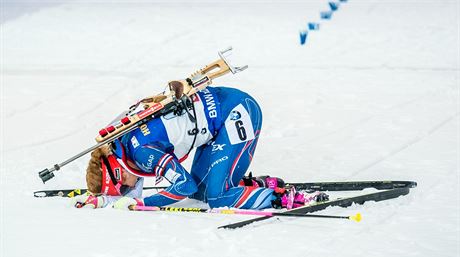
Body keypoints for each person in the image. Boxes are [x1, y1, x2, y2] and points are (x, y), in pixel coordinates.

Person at [76, 82, 325, 210]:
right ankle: (254, 186)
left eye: (122, 189)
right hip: (221, 117)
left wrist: (144, 204)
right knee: (201, 193)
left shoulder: (142, 154)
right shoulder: (122, 142)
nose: (130, 190)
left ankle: (285, 198)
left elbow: (183, 185)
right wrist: (102, 200)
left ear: (117, 173)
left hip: (236, 113)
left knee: (217, 198)